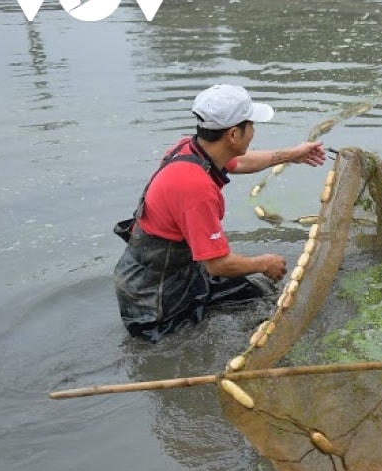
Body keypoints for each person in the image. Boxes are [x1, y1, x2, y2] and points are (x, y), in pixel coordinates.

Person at [114, 84, 326, 342]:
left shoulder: (191, 148)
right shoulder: (196, 187)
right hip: (154, 300)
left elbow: (242, 162)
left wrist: (293, 155)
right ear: (234, 135)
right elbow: (217, 264)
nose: (254, 131)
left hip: (180, 271)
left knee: (255, 296)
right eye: (251, 125)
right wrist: (264, 263)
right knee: (186, 345)